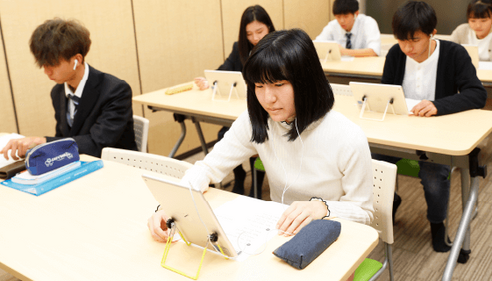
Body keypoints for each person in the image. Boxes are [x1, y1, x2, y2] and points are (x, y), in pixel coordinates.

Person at [149, 29, 374, 246]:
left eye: (278, 85)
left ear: (307, 82)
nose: (268, 99)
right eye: (258, 85)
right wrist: (171, 207)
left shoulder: (347, 137)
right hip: (278, 231)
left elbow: (364, 212)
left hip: (332, 236)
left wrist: (323, 208)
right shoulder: (257, 120)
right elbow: (207, 168)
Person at [376, 1, 486, 254]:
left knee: (434, 176)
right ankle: (390, 202)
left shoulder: (454, 54)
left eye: (414, 40)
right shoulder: (396, 54)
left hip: (436, 135)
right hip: (398, 132)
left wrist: (439, 105)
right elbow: (386, 91)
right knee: (369, 159)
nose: (407, 47)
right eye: (402, 40)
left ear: (432, 32)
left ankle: (437, 226)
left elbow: (477, 94)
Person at [0, 18, 137, 160]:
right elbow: (63, 139)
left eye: (52, 64)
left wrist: (43, 142)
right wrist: (36, 150)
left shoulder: (115, 90)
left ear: (76, 61)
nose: (47, 71)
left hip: (116, 167)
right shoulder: (57, 92)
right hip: (81, 165)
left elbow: (98, 144)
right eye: (43, 65)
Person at [194, 5, 276, 198]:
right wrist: (211, 81)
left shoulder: (279, 47)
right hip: (242, 109)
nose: (255, 38)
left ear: (270, 28)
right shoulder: (239, 48)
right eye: (249, 34)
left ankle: (256, 186)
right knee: (224, 134)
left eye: (259, 31)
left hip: (268, 109)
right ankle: (239, 178)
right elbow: (224, 70)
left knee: (261, 137)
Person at [315, 0, 381, 57]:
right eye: (338, 17)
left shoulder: (368, 23)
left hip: (364, 68)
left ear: (356, 14)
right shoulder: (332, 25)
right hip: (339, 68)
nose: (341, 21)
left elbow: (374, 51)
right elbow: (316, 45)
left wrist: (344, 52)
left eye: (346, 17)